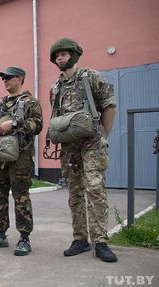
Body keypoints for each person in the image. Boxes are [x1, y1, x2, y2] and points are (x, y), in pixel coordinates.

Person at [48, 37, 117, 262]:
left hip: (91, 143)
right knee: (75, 192)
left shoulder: (91, 77)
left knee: (95, 189)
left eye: (64, 54)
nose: (60, 57)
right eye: (57, 55)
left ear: (74, 55)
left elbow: (109, 105)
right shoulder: (55, 87)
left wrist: (104, 136)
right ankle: (80, 239)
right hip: (69, 148)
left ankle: (101, 242)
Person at [0, 67, 43, 256]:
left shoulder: (30, 102)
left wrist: (14, 124)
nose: (5, 81)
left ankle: (24, 238)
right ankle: (0, 234)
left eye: (8, 78)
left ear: (20, 79)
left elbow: (37, 124)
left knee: (20, 196)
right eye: (3, 78)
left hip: (20, 157)